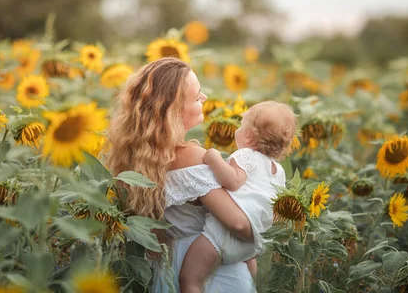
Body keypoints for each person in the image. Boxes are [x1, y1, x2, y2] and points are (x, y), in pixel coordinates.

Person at [104, 57, 256, 292]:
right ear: (173, 111)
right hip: (212, 273)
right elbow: (238, 223)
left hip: (168, 268)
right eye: (197, 97)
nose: (204, 98)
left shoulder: (136, 160)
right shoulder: (194, 158)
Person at [179, 101, 296, 293]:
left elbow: (232, 181)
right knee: (248, 285)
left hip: (221, 234)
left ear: (249, 136)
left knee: (189, 280)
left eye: (242, 125)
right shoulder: (278, 171)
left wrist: (213, 157)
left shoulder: (246, 155)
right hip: (250, 246)